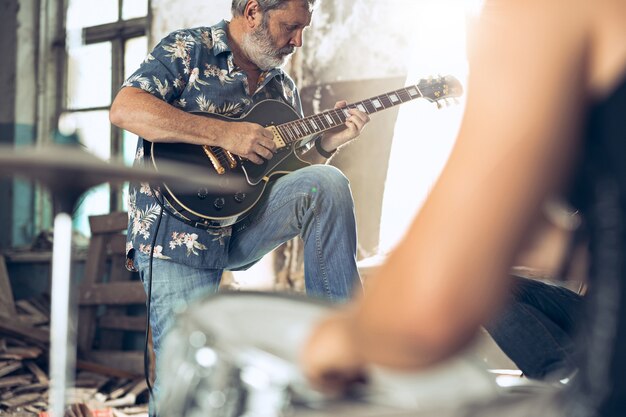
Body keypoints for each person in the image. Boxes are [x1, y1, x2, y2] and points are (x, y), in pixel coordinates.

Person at [301, 0, 626, 416]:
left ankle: (560, 379)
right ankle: (560, 372)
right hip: (595, 314)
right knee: (504, 292)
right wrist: (569, 250)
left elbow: (427, 313)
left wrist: (339, 338)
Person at [109, 0, 369, 409]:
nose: (298, 41)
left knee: (327, 182)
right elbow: (126, 109)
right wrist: (224, 134)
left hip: (242, 226)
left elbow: (288, 179)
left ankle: (342, 358)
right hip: (178, 236)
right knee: (191, 386)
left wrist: (325, 144)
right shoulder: (187, 49)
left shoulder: (281, 87)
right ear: (252, 12)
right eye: (291, 27)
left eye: (304, 30)